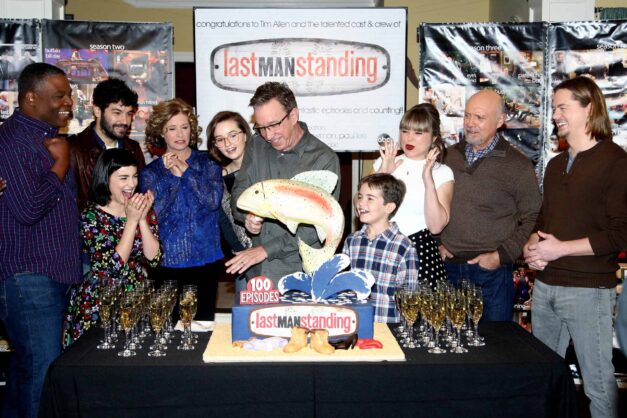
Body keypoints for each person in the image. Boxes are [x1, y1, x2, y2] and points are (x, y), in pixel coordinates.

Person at [524, 76, 627, 418]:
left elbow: (620, 234)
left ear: (589, 108)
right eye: (554, 108)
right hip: (546, 288)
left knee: (597, 382)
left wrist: (560, 249)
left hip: (588, 290)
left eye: (563, 107)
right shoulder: (555, 165)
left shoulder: (616, 162)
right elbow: (544, 222)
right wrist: (533, 247)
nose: (555, 115)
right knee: (544, 380)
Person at [0, 63, 81, 418]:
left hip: (48, 274)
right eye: (59, 96)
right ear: (31, 98)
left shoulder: (46, 138)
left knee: (27, 372)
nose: (68, 102)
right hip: (29, 277)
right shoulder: (14, 142)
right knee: (42, 374)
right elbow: (29, 209)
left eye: (69, 95)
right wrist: (60, 165)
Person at [439, 89, 541, 321]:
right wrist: (437, 243)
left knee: (494, 341)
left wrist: (502, 255)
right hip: (448, 269)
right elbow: (429, 203)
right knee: (447, 340)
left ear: (500, 120)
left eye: (480, 117)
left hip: (492, 274)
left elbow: (534, 216)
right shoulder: (446, 157)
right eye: (467, 116)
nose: (470, 123)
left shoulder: (517, 165)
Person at [226, 81, 341, 284]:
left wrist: (266, 250)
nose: (268, 135)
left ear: (293, 115)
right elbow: (240, 192)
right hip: (255, 272)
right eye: (261, 127)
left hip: (297, 275)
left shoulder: (323, 159)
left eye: (273, 125)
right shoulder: (256, 145)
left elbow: (319, 224)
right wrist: (247, 216)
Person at [64, 149, 161, 347]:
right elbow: (113, 268)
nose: (131, 184)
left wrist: (142, 219)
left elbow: (154, 259)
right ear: (105, 179)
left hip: (136, 294)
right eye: (123, 178)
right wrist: (131, 221)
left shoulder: (140, 209)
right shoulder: (91, 216)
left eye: (134, 176)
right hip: (102, 298)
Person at [140, 98, 224, 320]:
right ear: (162, 132)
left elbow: (213, 201)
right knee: (169, 329)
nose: (180, 134)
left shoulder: (208, 163)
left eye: (185, 127)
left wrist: (186, 170)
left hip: (206, 260)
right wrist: (173, 179)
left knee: (203, 326)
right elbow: (154, 215)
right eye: (172, 128)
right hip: (167, 263)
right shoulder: (151, 173)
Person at [375, 103, 454, 288]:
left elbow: (436, 226)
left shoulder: (442, 172)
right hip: (381, 247)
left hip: (421, 253)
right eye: (404, 131)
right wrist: (384, 173)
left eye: (418, 133)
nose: (409, 138)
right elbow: (363, 210)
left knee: (419, 307)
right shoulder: (384, 161)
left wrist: (428, 179)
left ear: (434, 137)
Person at [343, 173, 418, 323]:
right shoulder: (352, 241)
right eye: (360, 197)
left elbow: (408, 299)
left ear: (389, 207)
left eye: (370, 198)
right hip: (355, 324)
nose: (361, 203)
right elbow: (344, 286)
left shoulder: (403, 247)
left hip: (387, 327)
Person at [70, 78, 145, 212]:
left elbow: (141, 195)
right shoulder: (75, 150)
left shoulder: (133, 149)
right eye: (117, 112)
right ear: (97, 111)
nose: (125, 121)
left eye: (129, 114)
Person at [207, 111, 253, 293]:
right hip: (243, 262)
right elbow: (225, 223)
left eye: (233, 135)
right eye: (220, 139)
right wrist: (241, 252)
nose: (227, 143)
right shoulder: (218, 177)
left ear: (245, 134)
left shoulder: (266, 167)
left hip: (278, 258)